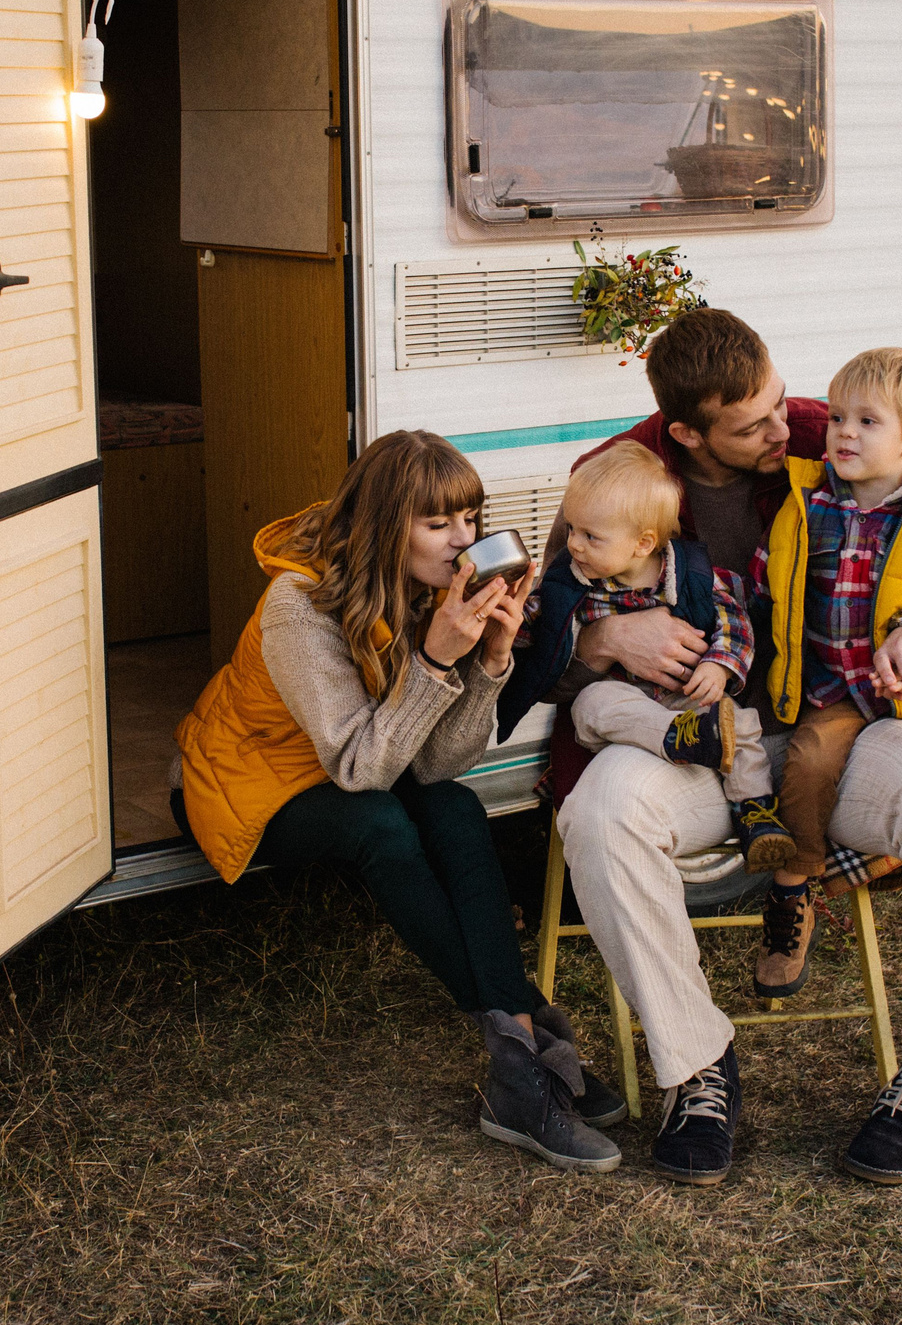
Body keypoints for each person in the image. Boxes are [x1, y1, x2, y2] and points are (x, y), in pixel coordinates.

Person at [542, 309, 902, 1187]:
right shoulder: (616, 478)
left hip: (828, 733)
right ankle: (696, 1068)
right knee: (600, 811)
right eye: (753, 423)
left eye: (779, 404)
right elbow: (545, 646)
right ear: (688, 433)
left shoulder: (819, 430)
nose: (786, 427)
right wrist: (607, 643)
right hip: (689, 742)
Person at [172, 429, 626, 1174]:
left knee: (454, 809)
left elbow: (442, 761)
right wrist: (437, 657)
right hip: (250, 780)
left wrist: (488, 660)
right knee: (380, 824)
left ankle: (519, 1058)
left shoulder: (427, 590)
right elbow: (361, 768)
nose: (463, 542)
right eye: (439, 522)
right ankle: (529, 1047)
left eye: (471, 519)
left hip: (355, 762)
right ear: (389, 524)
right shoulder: (299, 602)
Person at [749, 348, 902, 1024]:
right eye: (835, 417)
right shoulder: (808, 505)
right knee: (806, 764)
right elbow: (773, 582)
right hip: (838, 692)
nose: (843, 433)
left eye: (867, 420)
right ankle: (794, 888)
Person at [496, 441, 788, 865]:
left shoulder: (692, 575)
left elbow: (733, 622)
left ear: (642, 543)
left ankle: (756, 812)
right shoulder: (571, 582)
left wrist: (719, 667)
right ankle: (679, 737)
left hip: (688, 692)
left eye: (590, 535)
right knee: (591, 705)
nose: (573, 545)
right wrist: (506, 615)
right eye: (573, 529)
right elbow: (534, 624)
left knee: (739, 725)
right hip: (631, 705)